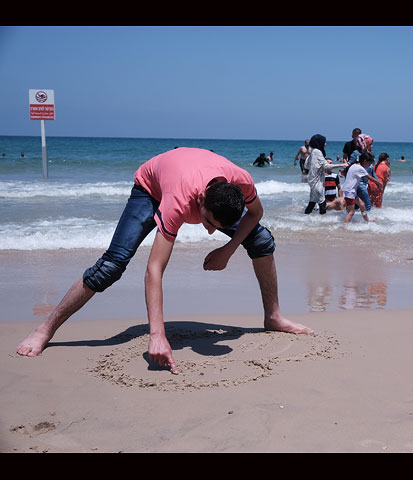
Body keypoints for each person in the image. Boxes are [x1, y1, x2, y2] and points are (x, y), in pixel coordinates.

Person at [16, 147, 313, 372]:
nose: (211, 232)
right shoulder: (179, 200)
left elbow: (256, 214)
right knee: (112, 265)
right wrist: (157, 336)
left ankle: (273, 317)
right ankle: (45, 329)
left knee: (261, 239)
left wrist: (229, 248)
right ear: (199, 203)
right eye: (208, 222)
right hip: (151, 187)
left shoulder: (242, 182)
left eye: (217, 228)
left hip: (193, 171)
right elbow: (154, 269)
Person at [303, 134, 347, 214]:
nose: (325, 144)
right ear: (319, 142)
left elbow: (306, 165)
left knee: (312, 202)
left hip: (312, 180)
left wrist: (316, 168)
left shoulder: (313, 152)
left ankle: (304, 218)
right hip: (318, 182)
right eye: (324, 142)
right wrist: (342, 165)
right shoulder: (318, 152)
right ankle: (323, 221)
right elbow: (327, 166)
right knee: (322, 202)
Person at [343, 152, 382, 223]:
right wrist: (379, 184)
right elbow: (370, 177)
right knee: (351, 212)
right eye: (369, 163)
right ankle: (343, 227)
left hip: (350, 191)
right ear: (365, 161)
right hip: (350, 192)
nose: (369, 166)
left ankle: (367, 220)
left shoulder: (354, 165)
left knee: (362, 204)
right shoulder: (360, 168)